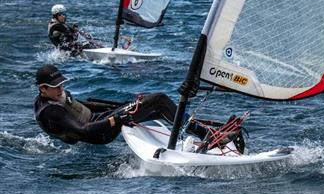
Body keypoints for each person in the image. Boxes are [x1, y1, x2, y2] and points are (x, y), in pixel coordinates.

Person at [33, 64, 245, 152]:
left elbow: (84, 105)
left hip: (100, 119)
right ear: (42, 89)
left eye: (61, 83)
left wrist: (121, 106)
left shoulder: (57, 95)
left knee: (153, 107)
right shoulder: (51, 111)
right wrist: (117, 119)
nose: (60, 88)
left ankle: (205, 132)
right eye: (54, 86)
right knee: (159, 99)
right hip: (99, 134)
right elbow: (83, 132)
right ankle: (206, 134)